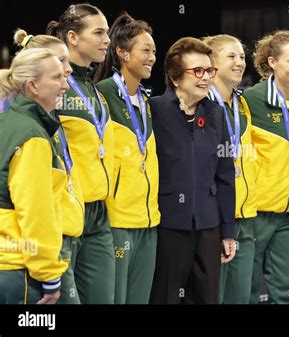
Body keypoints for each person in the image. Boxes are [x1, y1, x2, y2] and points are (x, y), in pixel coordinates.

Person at [149, 37, 236, 304]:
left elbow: (224, 175)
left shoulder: (216, 114)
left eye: (209, 71)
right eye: (197, 71)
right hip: (168, 226)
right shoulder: (155, 111)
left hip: (209, 227)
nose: (206, 77)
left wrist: (228, 230)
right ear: (175, 78)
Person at [47, 3, 116, 304]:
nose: (107, 40)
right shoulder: (56, 87)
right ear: (72, 37)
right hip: (64, 212)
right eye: (99, 32)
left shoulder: (95, 89)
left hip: (98, 214)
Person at [13, 29, 85, 304]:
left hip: (61, 233)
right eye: (58, 69)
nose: (67, 74)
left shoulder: (47, 117)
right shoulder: (27, 128)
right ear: (33, 81)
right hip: (37, 247)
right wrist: (47, 269)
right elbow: (32, 203)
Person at [240, 30, 289, 304]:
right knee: (246, 290)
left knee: (285, 291)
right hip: (257, 212)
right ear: (272, 62)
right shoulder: (251, 99)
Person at [95, 13, 160, 304]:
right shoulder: (104, 94)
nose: (152, 57)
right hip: (118, 219)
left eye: (154, 51)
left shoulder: (145, 100)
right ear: (122, 53)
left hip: (148, 220)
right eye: (145, 50)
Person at [0, 48, 69, 304]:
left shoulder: (6, 121)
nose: (65, 85)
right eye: (57, 78)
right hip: (19, 272)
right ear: (33, 86)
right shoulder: (31, 135)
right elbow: (35, 211)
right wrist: (49, 275)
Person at [202, 34, 257, 304]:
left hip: (244, 219)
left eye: (242, 57)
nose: (239, 63)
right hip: (213, 222)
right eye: (231, 57)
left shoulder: (243, 105)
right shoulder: (201, 106)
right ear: (212, 63)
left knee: (241, 298)